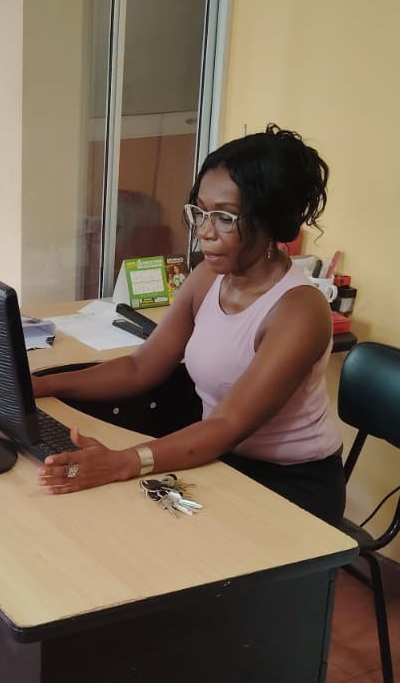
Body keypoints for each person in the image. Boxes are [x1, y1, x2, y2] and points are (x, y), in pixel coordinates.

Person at [32, 126, 346, 525]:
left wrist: (123, 462)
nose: (205, 231)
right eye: (200, 212)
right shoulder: (207, 278)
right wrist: (41, 384)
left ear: (270, 220)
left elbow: (228, 423)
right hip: (221, 459)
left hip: (291, 485)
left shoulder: (299, 311)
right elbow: (140, 367)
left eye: (225, 218)